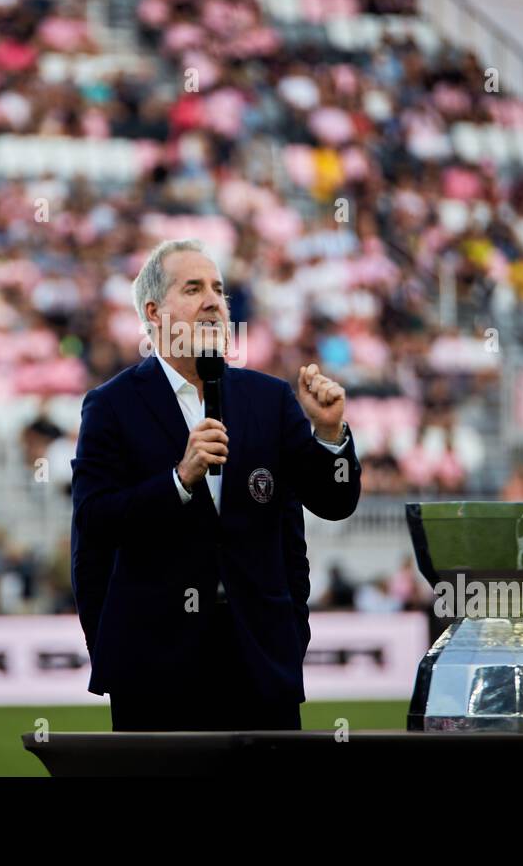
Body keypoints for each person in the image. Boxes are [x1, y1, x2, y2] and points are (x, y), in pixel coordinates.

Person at [70, 239, 362, 731]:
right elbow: (95, 525)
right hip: (155, 670)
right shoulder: (111, 406)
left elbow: (335, 501)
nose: (213, 300)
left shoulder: (269, 399)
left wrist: (331, 436)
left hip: (260, 662)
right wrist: (179, 481)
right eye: (193, 288)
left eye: (219, 290)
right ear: (153, 312)